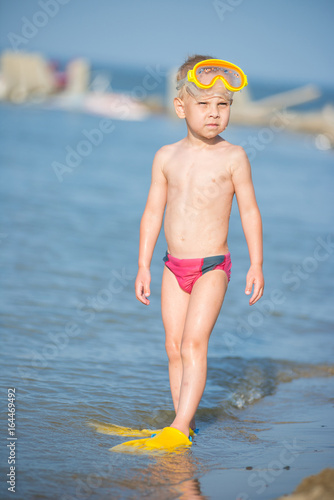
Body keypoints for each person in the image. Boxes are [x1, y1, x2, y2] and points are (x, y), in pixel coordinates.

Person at [116, 55, 264, 452]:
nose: (215, 113)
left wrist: (257, 264)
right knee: (173, 346)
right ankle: (187, 421)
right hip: (171, 265)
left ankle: (179, 425)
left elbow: (249, 210)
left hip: (212, 266)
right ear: (181, 106)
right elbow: (151, 212)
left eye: (224, 104)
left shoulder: (233, 157)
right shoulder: (166, 156)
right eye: (205, 104)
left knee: (195, 343)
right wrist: (144, 265)